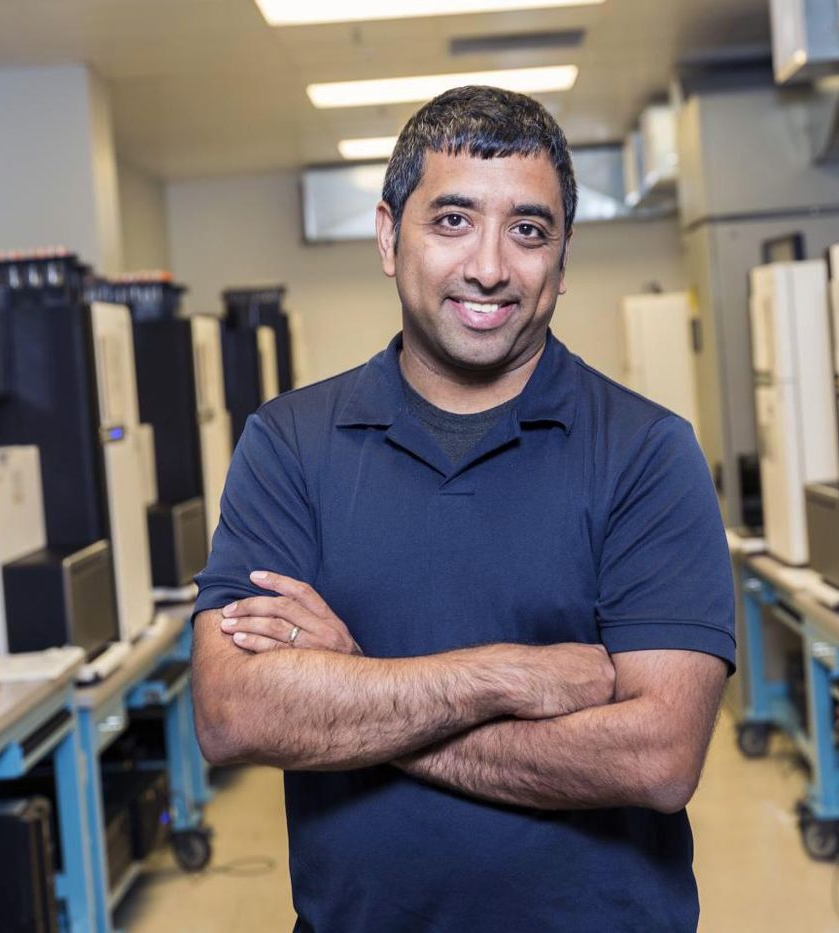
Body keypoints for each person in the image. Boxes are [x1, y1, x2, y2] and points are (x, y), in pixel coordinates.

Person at [190, 85, 736, 932]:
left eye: (528, 229)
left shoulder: (646, 451)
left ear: (561, 258)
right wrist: (505, 675)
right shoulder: (291, 442)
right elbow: (232, 713)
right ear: (387, 235)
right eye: (451, 220)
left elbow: (657, 757)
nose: (489, 266)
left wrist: (354, 682)